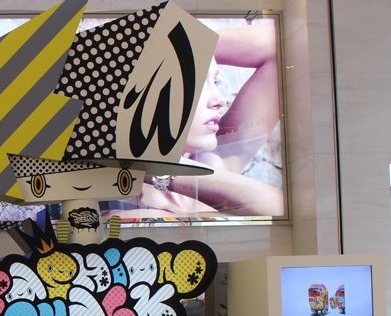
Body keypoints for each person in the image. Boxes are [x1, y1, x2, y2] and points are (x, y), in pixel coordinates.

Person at [109, 23, 284, 218]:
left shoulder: (213, 162)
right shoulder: (114, 202)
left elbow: (279, 43)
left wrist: (176, 45)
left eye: (215, 81)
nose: (220, 99)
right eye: (197, 82)